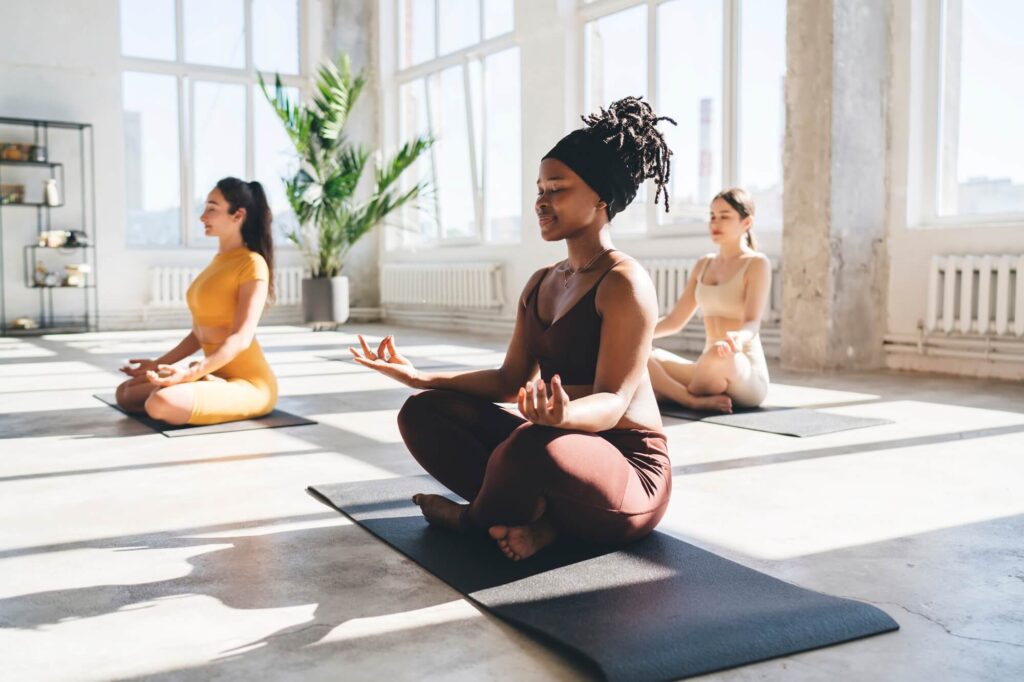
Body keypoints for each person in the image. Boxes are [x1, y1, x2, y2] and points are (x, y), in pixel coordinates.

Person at [350, 97, 675, 561]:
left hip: (628, 473)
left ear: (600, 198)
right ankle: (544, 522)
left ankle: (471, 518)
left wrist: (561, 420)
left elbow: (613, 402)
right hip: (557, 446)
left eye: (557, 189)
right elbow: (509, 381)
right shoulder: (541, 282)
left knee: (530, 446)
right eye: (539, 189)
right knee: (423, 412)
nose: (541, 201)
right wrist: (419, 377)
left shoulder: (624, 283)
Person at [114, 178, 278, 426]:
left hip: (250, 384)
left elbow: (241, 338)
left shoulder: (252, 264)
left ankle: (203, 383)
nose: (203, 217)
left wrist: (190, 373)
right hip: (211, 371)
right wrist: (159, 363)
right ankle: (205, 383)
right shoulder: (219, 261)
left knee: (160, 403)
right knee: (126, 393)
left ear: (238, 215)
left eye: (212, 208)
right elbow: (199, 333)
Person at [647, 188, 772, 414]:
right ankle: (691, 398)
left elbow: (752, 323)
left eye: (725, 216)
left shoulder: (757, 264)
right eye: (712, 216)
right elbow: (676, 320)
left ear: (747, 222)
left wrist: (737, 339)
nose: (716, 222)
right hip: (706, 368)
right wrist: (634, 336)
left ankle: (673, 394)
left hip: (741, 369)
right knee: (641, 356)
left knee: (717, 353)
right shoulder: (703, 264)